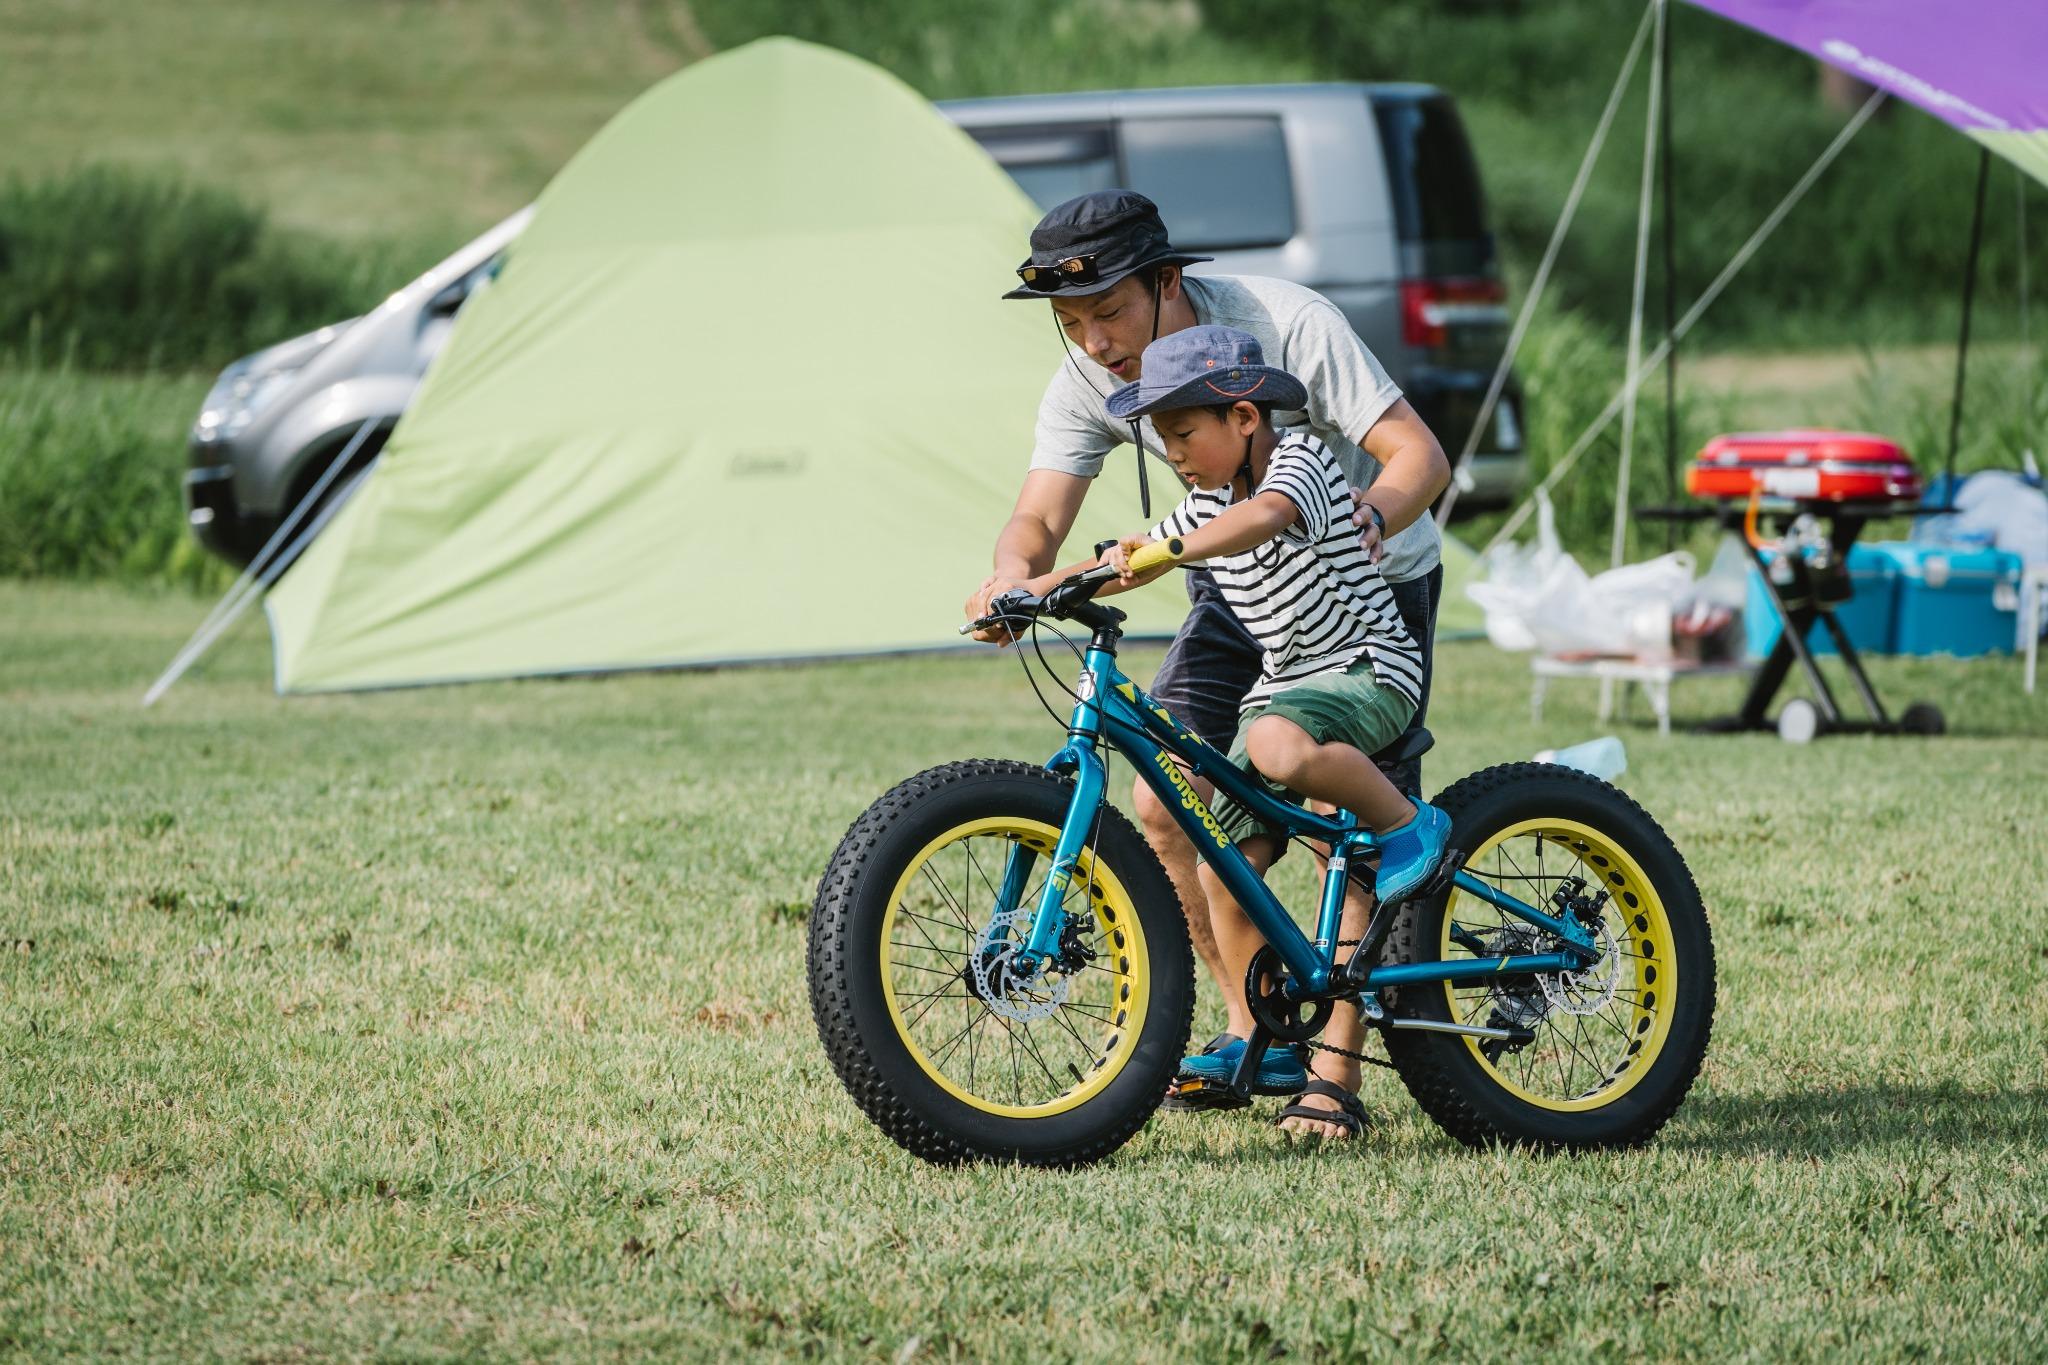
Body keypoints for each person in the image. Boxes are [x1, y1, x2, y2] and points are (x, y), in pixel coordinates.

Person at [965, 189, 1452, 1138]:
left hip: (1365, 585)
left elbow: (1416, 453)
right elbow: (1040, 517)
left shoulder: (1285, 326)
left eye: (1109, 311)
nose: (1094, 340)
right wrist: (1011, 580)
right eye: (1071, 322)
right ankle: (1253, 1029)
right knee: (1166, 798)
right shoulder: (1089, 375)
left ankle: (1334, 1078)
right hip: (1236, 584)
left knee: (1330, 827)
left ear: (1166, 280)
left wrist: (1368, 516)